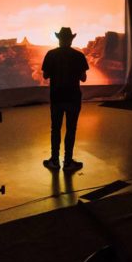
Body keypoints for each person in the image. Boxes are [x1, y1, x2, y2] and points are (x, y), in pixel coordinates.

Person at [42, 27, 90, 172]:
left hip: (56, 97)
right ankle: (68, 162)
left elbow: (45, 76)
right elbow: (83, 78)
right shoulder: (79, 56)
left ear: (59, 39)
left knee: (55, 128)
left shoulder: (51, 54)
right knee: (71, 129)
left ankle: (54, 160)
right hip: (73, 97)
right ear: (71, 39)